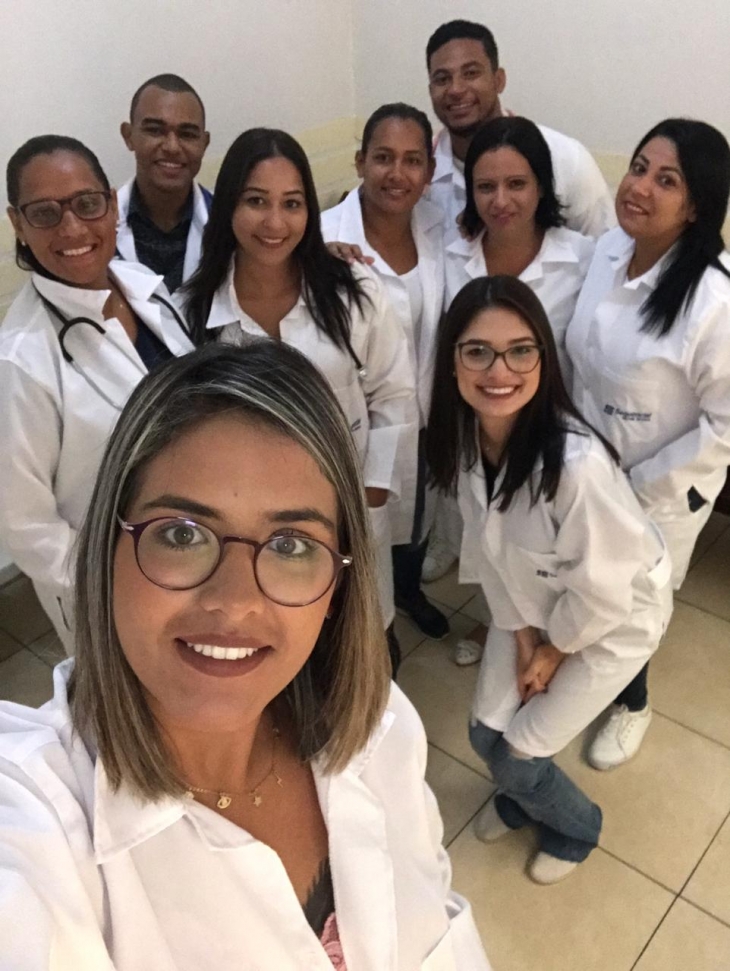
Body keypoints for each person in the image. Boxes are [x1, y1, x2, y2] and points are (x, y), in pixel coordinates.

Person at [0, 342, 493, 970]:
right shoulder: (34, 818)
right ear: (106, 548)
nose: (234, 604)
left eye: (290, 545)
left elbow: (435, 906)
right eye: (181, 534)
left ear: (339, 584)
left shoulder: (382, 724)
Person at [426, 276, 672, 884]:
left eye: (520, 350)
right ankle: (523, 799)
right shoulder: (468, 440)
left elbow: (605, 594)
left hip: (611, 622)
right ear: (452, 362)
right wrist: (521, 636)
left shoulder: (576, 468)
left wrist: (554, 650)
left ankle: (576, 828)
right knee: (485, 734)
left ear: (543, 358)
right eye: (477, 351)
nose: (498, 369)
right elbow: (492, 554)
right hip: (535, 607)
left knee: (517, 755)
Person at [184, 128, 418, 673]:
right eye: (256, 201)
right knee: (282, 644)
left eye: (292, 204)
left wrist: (373, 494)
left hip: (351, 506)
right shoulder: (194, 314)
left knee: (363, 637)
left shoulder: (353, 290)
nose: (275, 223)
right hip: (249, 526)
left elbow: (394, 392)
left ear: (310, 210)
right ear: (228, 209)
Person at [566, 118, 730, 769]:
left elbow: (723, 426)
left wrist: (636, 486)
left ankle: (632, 699)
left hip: (653, 490)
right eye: (638, 168)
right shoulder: (607, 249)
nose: (640, 187)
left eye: (667, 181)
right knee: (582, 584)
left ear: (695, 206)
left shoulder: (714, 300)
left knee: (632, 606)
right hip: (585, 470)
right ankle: (576, 675)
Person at [0, 134, 193, 652]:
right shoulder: (21, 360)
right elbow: (26, 527)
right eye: (45, 213)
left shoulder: (143, 287)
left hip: (189, 550)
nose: (73, 228)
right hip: (108, 591)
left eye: (87, 205)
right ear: (17, 223)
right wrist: (115, 584)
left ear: (110, 203)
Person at [438, 116, 595, 664]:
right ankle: (501, 623)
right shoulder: (452, 255)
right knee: (492, 536)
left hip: (551, 431)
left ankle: (563, 636)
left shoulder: (582, 258)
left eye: (517, 184)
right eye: (486, 186)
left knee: (551, 544)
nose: (500, 200)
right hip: (479, 425)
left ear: (542, 187)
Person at [321, 103, 449, 640]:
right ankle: (373, 623)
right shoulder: (324, 238)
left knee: (417, 519)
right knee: (360, 532)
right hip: (360, 427)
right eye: (383, 158)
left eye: (412, 160)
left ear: (429, 171)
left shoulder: (439, 230)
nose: (397, 174)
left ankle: (408, 590)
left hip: (429, 416)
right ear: (360, 162)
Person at [425, 19, 614, 237]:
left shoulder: (566, 160)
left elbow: (608, 255)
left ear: (499, 80)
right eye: (442, 79)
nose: (456, 89)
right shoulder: (419, 175)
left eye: (470, 73)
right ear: (431, 90)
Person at [117, 74, 212, 295]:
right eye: (155, 130)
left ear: (204, 143)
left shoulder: (230, 224)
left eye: (187, 134)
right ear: (128, 136)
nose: (171, 147)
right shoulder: (97, 230)